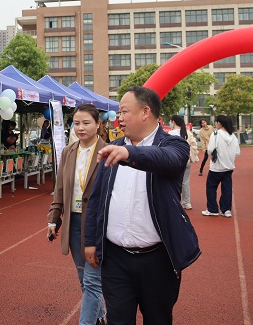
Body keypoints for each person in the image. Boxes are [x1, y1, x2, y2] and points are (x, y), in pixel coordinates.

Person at [84, 86, 200, 325]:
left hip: (158, 260)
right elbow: (96, 199)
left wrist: (129, 153)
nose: (119, 118)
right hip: (115, 259)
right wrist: (90, 241)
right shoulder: (113, 147)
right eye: (119, 112)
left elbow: (166, 159)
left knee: (158, 319)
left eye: (124, 111)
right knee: (118, 320)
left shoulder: (174, 145)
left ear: (145, 112)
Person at [47, 104, 107, 325]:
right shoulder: (68, 151)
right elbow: (60, 188)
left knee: (92, 282)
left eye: (86, 123)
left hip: (96, 225)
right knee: (83, 278)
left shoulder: (107, 151)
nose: (80, 128)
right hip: (73, 222)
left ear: (98, 124)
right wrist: (53, 218)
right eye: (76, 123)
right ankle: (100, 317)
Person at [202, 115, 241, 217]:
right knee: (227, 188)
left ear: (219, 123)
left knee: (211, 187)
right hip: (229, 167)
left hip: (216, 167)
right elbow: (237, 152)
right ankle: (226, 210)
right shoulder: (233, 136)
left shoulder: (216, 134)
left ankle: (212, 209)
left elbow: (210, 150)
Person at [169, 115, 198, 210]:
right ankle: (187, 202)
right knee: (185, 182)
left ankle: (175, 201)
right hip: (186, 160)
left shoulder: (170, 133)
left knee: (173, 182)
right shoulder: (187, 133)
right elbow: (194, 144)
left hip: (174, 161)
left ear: (173, 122)